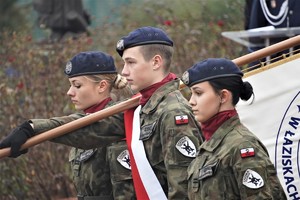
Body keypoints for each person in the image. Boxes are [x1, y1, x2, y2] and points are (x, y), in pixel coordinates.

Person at [0, 26, 203, 199]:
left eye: (131, 62)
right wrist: (32, 128)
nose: (123, 71)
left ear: (156, 62)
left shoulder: (173, 112)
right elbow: (89, 127)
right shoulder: (140, 108)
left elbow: (184, 187)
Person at [0, 51, 132, 199]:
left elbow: (84, 126)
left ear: (102, 86)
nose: (69, 92)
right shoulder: (85, 118)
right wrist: (28, 129)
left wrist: (32, 128)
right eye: (70, 85)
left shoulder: (122, 115)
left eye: (77, 85)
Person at [181, 58, 287, 199]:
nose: (191, 101)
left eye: (198, 93)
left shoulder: (242, 146)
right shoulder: (210, 146)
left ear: (223, 96)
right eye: (191, 94)